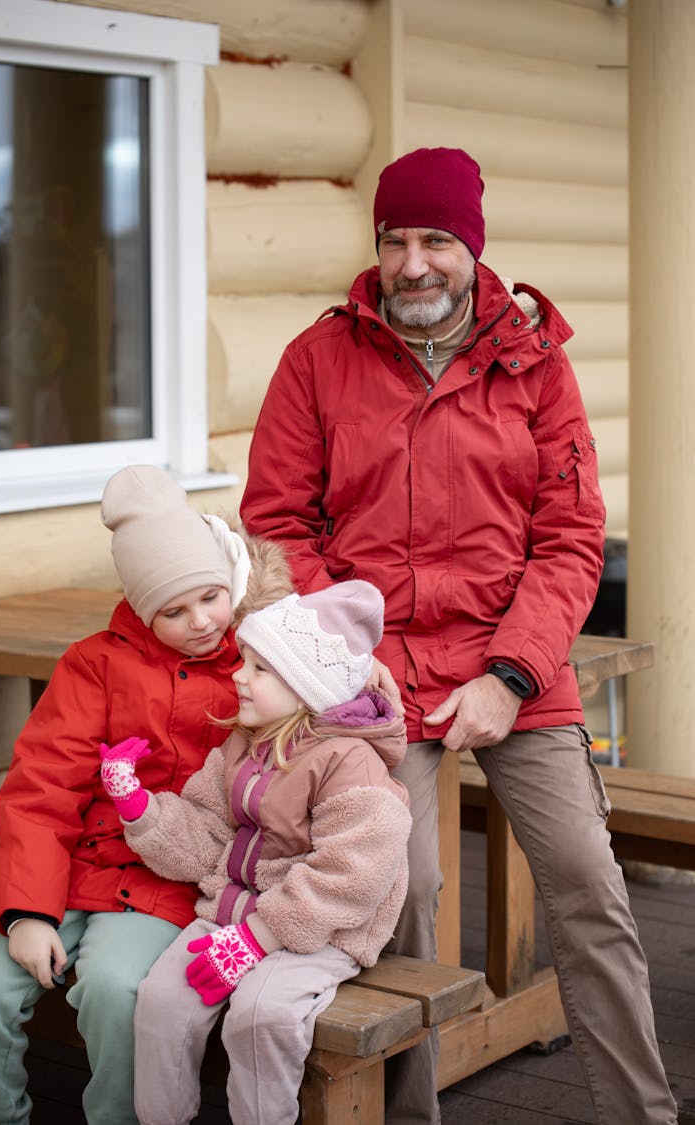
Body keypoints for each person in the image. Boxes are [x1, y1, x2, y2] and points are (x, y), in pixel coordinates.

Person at [238, 147, 678, 1124]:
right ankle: (410, 1114)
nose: (413, 263)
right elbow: (277, 522)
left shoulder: (536, 364)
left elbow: (569, 538)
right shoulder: (319, 359)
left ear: (473, 247)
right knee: (398, 882)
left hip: (514, 663)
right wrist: (350, 664)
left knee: (585, 881)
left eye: (436, 239)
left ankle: (640, 1115)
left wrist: (510, 678)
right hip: (372, 670)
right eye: (394, 240)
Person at [0, 463, 292, 1125]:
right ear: (138, 604)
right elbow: (42, 786)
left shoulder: (255, 668)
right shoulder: (94, 665)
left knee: (116, 989)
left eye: (211, 597)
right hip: (69, 862)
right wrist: (25, 912)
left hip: (166, 878)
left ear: (234, 585)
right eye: (173, 609)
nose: (200, 621)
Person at [98, 579, 411, 1125]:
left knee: (260, 1018)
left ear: (305, 687)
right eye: (245, 662)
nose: (239, 675)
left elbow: (353, 875)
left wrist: (257, 939)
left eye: (260, 669)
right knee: (161, 1004)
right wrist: (139, 807)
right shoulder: (246, 741)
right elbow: (207, 837)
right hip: (234, 911)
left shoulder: (350, 764)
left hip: (320, 929)